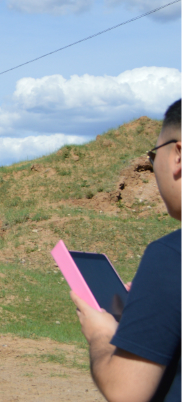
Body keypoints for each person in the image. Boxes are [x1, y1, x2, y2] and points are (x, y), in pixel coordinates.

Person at [72, 99, 180, 402]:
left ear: (178, 155)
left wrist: (100, 334)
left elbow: (126, 392)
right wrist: (153, 308)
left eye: (153, 154)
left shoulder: (170, 257)